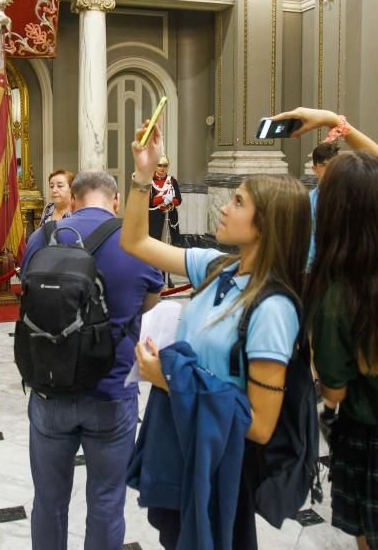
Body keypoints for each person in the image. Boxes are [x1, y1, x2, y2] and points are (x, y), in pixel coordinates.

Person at [122, 120, 309, 549]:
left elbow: (261, 425)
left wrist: (169, 377)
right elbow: (134, 241)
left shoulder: (274, 308)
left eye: (238, 202)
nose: (225, 207)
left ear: (267, 224)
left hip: (221, 462)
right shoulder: (215, 266)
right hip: (184, 439)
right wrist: (142, 176)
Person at [273, 109, 378, 550]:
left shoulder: (338, 294)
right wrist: (338, 123)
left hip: (368, 431)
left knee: (373, 533)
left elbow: (333, 388)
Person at [21, 170, 162, 550]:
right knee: (106, 503)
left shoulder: (41, 239)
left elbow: (27, 297)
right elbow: (148, 305)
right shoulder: (138, 244)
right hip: (112, 393)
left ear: (75, 199)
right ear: (116, 202)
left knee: (48, 504)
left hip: (51, 391)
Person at [307, 142, 339, 267]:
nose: (329, 170)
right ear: (314, 169)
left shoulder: (349, 197)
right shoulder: (308, 201)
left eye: (333, 165)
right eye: (324, 165)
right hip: (315, 266)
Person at [148, 155, 181, 245]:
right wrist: (163, 198)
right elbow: (149, 202)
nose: (162, 168)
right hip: (154, 218)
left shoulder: (172, 180)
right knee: (154, 244)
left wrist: (169, 202)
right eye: (160, 165)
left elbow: (178, 200)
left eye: (165, 165)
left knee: (172, 244)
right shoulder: (149, 181)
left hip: (171, 216)